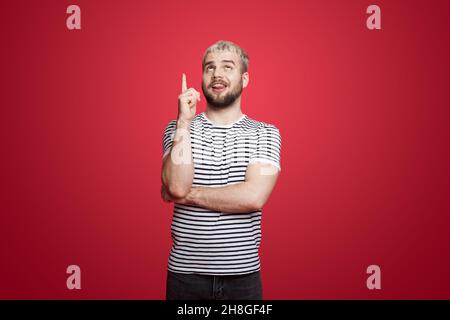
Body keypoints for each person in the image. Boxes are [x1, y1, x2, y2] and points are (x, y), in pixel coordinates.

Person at [161, 40, 281, 300]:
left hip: (243, 278)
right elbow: (177, 186)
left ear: (244, 78)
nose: (217, 74)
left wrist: (188, 196)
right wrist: (184, 121)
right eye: (209, 68)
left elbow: (252, 197)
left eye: (227, 67)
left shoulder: (265, 133)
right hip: (185, 277)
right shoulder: (178, 129)